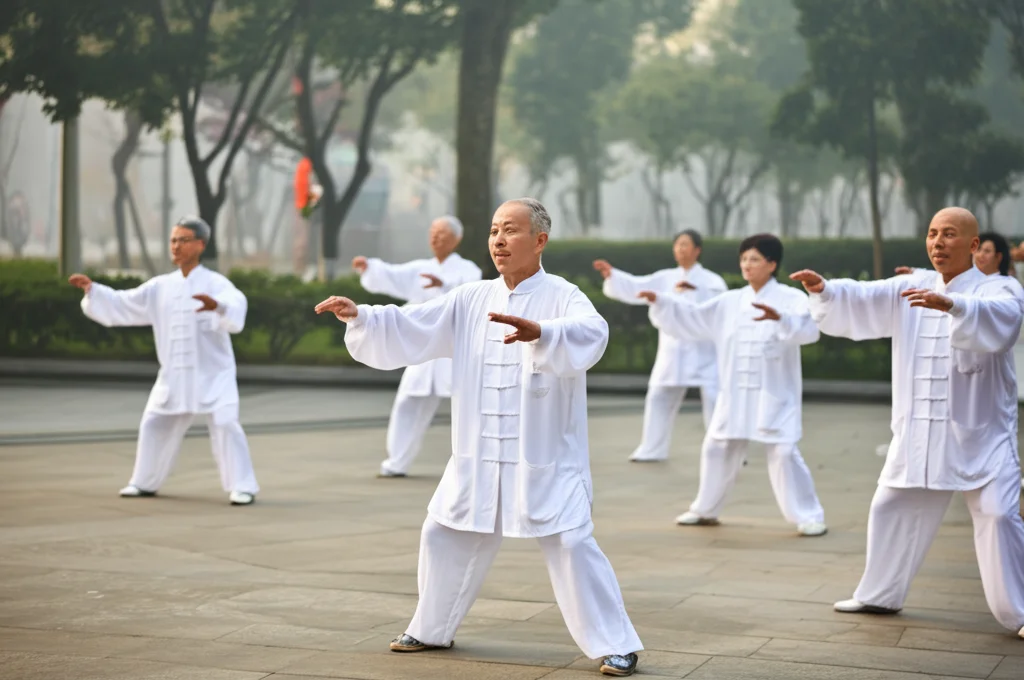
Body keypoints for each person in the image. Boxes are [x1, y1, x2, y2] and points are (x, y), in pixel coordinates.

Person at [315, 198, 643, 676]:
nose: (498, 240)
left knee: (571, 544)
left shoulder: (564, 295)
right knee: (443, 531)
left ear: (540, 240)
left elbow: (592, 333)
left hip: (543, 455)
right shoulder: (471, 298)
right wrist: (362, 317)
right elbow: (414, 324)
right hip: (479, 453)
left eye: (510, 231)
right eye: (493, 231)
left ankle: (618, 645)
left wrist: (544, 333)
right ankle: (431, 628)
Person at [792, 207, 1024, 638]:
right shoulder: (912, 286)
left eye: (949, 234)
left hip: (982, 432)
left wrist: (954, 305)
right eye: (932, 233)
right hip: (921, 430)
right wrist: (827, 291)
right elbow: (864, 295)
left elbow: (1005, 319)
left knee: (997, 515)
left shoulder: (999, 287)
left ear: (974, 246)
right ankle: (881, 594)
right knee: (890, 506)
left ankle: (1021, 613)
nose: (937, 242)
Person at [637, 234, 828, 537]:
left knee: (782, 453)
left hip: (774, 394)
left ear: (772, 264)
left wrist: (781, 319)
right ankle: (705, 509)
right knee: (717, 447)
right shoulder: (729, 301)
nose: (746, 265)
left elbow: (809, 330)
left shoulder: (791, 299)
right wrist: (662, 302)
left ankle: (808, 515)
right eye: (743, 259)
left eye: (754, 259)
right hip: (735, 393)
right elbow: (693, 318)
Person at [68, 216, 259, 505]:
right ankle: (143, 482)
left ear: (200, 245)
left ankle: (242, 486)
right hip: (173, 375)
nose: (176, 246)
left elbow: (236, 307)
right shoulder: (160, 286)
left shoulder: (215, 283)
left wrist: (217, 306)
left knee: (226, 423)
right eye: (173, 240)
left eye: (183, 240)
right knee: (154, 423)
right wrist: (94, 291)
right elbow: (125, 303)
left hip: (213, 374)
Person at [351, 216, 482, 477]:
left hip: (453, 348)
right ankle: (396, 463)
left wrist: (444, 285)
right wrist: (370, 267)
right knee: (408, 401)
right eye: (433, 233)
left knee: (470, 405)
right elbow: (393, 275)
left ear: (456, 240)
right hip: (423, 348)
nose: (435, 238)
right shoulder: (421, 268)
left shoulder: (467, 269)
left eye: (442, 234)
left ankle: (476, 463)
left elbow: (472, 292)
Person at [593, 230, 728, 462]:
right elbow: (639, 285)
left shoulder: (712, 281)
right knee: (658, 395)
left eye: (685, 245)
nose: (680, 249)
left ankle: (725, 448)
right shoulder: (666, 277)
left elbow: (719, 306)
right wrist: (613, 276)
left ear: (697, 250)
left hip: (703, 349)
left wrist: (696, 290)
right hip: (673, 349)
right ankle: (652, 448)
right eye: (677, 245)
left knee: (716, 398)